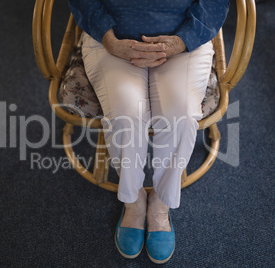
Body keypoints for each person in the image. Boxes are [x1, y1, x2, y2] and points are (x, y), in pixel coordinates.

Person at [68, 0, 229, 264]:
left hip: (183, 39)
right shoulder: (110, 40)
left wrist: (182, 40)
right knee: (126, 114)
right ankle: (133, 202)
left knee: (181, 115)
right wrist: (109, 40)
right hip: (111, 40)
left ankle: (161, 205)